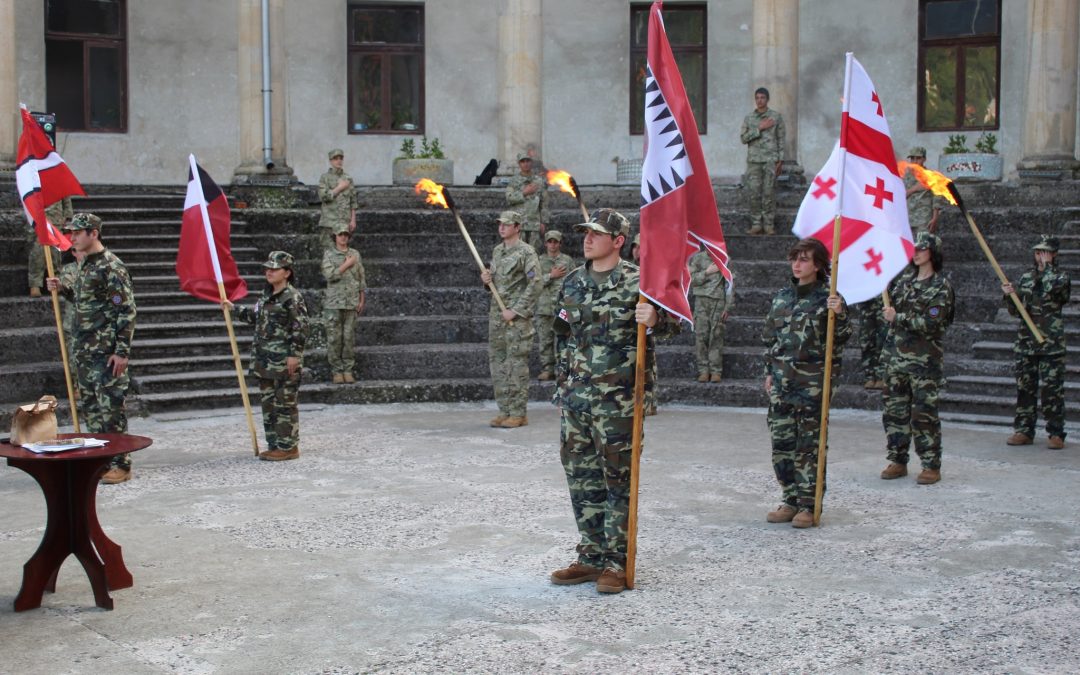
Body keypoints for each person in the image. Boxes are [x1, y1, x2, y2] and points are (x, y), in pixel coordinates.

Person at [548, 208, 680, 594]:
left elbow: (673, 325)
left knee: (619, 481)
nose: (587, 239)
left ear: (618, 241)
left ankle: (616, 563)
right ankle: (590, 556)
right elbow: (563, 336)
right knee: (582, 479)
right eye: (585, 233)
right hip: (577, 400)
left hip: (619, 402)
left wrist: (655, 318)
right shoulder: (572, 283)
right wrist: (562, 387)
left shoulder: (639, 283)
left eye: (596, 234)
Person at [762, 238, 850, 528]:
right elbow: (770, 339)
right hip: (781, 383)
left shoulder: (830, 299)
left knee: (809, 446)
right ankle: (789, 498)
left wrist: (840, 315)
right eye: (794, 259)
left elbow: (842, 338)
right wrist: (768, 372)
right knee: (782, 444)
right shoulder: (782, 297)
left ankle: (808, 505)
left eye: (804, 259)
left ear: (818, 264)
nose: (797, 265)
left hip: (812, 384)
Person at [46, 213, 136, 484]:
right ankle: (101, 460)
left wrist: (122, 351)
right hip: (84, 351)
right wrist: (62, 288)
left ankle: (121, 462)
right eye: (70, 232)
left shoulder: (112, 267)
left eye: (77, 232)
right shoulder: (85, 265)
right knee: (92, 409)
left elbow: (126, 310)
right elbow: (86, 300)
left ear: (93, 233)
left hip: (105, 352)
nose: (71, 237)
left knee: (111, 409)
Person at [879, 232, 955, 485]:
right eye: (915, 248)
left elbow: (933, 324)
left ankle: (931, 464)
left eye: (922, 248)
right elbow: (891, 311)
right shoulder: (904, 283)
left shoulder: (940, 286)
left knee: (924, 415)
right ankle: (897, 459)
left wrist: (897, 318)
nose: (917, 252)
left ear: (932, 252)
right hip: (896, 360)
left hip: (924, 363)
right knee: (894, 413)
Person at [226, 251, 310, 461]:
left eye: (275, 269)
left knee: (285, 404)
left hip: (283, 361)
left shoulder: (292, 297)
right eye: (268, 268)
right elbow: (256, 317)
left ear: (287, 273)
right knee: (269, 404)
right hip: (265, 362)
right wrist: (233, 309)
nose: (269, 272)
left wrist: (294, 355)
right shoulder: (266, 295)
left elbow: (300, 328)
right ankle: (275, 445)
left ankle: (289, 447)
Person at [1002, 235, 1071, 449]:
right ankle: (1024, 429)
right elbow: (1016, 311)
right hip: (1027, 341)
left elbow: (1057, 293)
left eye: (1045, 252)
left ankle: (1055, 432)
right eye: (1037, 252)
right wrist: (1009, 296)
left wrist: (1047, 268)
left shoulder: (1061, 277)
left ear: (1054, 254)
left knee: (1052, 390)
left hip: (1051, 342)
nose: (1040, 256)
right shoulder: (1026, 278)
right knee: (1025, 388)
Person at [481, 210, 541, 428]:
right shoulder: (497, 251)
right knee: (497, 362)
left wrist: (515, 310)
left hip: (516, 319)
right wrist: (487, 281)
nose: (502, 228)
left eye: (507, 225)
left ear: (517, 227)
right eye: (500, 224)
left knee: (516, 364)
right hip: (496, 316)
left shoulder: (527, 252)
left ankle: (518, 412)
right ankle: (504, 410)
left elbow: (535, 284)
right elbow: (496, 284)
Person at [321, 226, 366, 384]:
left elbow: (361, 278)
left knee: (348, 338)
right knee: (334, 338)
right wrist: (346, 265)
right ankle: (336, 371)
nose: (343, 238)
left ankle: (348, 369)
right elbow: (329, 275)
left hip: (351, 302)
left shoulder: (355, 254)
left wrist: (361, 300)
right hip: (334, 303)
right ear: (335, 236)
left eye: (346, 235)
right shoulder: (329, 254)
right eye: (341, 235)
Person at [740, 87, 785, 235]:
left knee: (769, 192)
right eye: (757, 98)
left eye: (762, 98)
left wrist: (781, 159)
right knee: (754, 192)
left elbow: (781, 139)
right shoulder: (749, 118)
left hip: (770, 160)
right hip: (754, 161)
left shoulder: (775, 117)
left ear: (767, 99)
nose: (760, 100)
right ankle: (756, 223)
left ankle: (769, 224)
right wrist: (759, 128)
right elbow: (743, 138)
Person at [689, 247, 734, 382]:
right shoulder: (697, 258)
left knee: (716, 336)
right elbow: (691, 280)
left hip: (718, 302)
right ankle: (703, 370)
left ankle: (716, 371)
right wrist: (707, 272)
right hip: (701, 301)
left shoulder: (725, 259)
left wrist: (728, 306)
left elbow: (730, 284)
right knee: (701, 336)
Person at [535, 230, 574, 381]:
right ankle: (547, 369)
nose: (552, 244)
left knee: (562, 339)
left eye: (555, 241)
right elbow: (533, 282)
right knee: (545, 340)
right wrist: (550, 276)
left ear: (560, 243)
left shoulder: (567, 261)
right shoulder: (538, 261)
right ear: (545, 243)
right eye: (550, 241)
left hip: (562, 307)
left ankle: (562, 369)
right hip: (543, 307)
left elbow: (575, 281)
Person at [28, 197, 72, 296]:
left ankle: (56, 282)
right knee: (37, 254)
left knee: (55, 254)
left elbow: (65, 196)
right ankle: (35, 285)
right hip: (37, 218)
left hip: (56, 218)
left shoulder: (58, 181)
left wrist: (68, 215)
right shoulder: (31, 181)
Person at [505, 151, 548, 251]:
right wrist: (524, 193)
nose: (526, 163)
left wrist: (543, 222)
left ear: (531, 162)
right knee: (519, 253)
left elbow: (544, 203)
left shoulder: (539, 181)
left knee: (533, 253)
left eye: (528, 161)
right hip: (519, 224)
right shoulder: (514, 181)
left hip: (534, 224)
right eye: (523, 161)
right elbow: (509, 198)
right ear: (519, 164)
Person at [318, 149, 358, 249]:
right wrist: (339, 188)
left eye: (341, 158)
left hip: (344, 222)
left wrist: (353, 220)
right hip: (329, 221)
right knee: (328, 251)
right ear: (331, 161)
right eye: (335, 159)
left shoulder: (348, 178)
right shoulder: (325, 178)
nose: (339, 161)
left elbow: (353, 201)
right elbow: (324, 197)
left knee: (343, 252)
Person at [903, 146, 942, 234]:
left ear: (924, 159)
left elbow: (937, 199)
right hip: (907, 218)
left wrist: (935, 218)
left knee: (923, 245)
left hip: (924, 219)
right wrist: (914, 189)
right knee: (909, 246)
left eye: (918, 158)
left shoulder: (931, 176)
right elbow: (899, 196)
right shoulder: (904, 176)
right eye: (912, 158)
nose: (915, 161)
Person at [857, 296, 888, 389]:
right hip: (866, 301)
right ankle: (869, 376)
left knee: (882, 339)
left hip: (884, 299)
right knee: (866, 340)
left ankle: (881, 375)